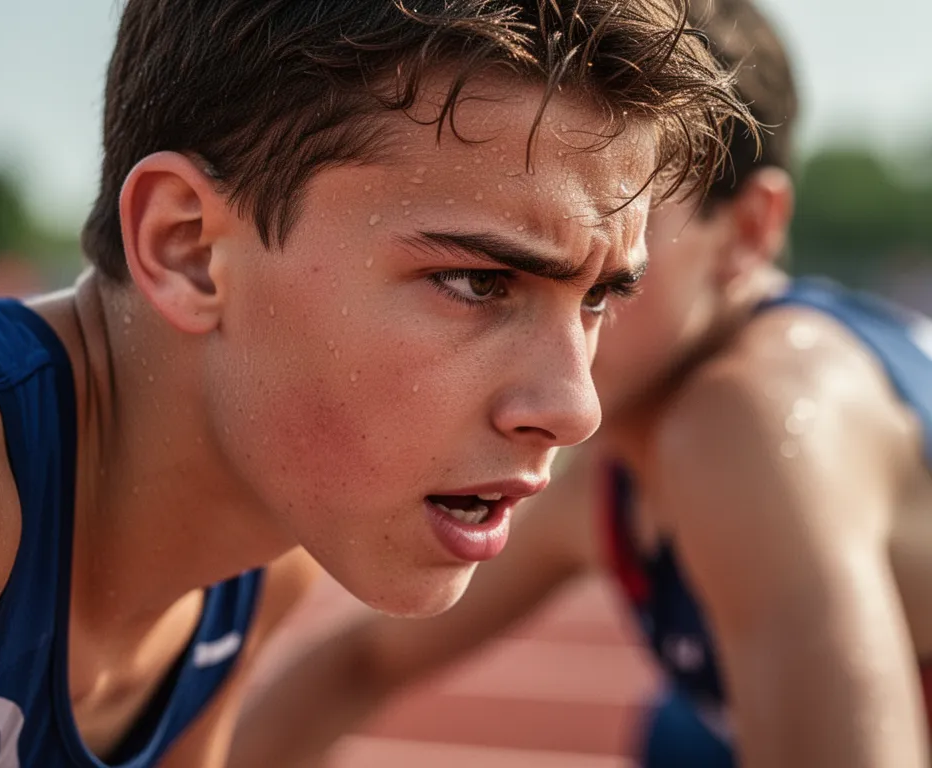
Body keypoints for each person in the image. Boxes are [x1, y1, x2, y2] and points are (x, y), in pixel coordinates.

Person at [0, 1, 747, 766]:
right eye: (478, 283)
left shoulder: (263, 558)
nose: (576, 409)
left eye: (599, 296)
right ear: (188, 247)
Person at [230, 1, 932, 766]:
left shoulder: (755, 419)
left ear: (750, 231)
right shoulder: (627, 453)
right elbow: (360, 662)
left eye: (614, 260)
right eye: (491, 267)